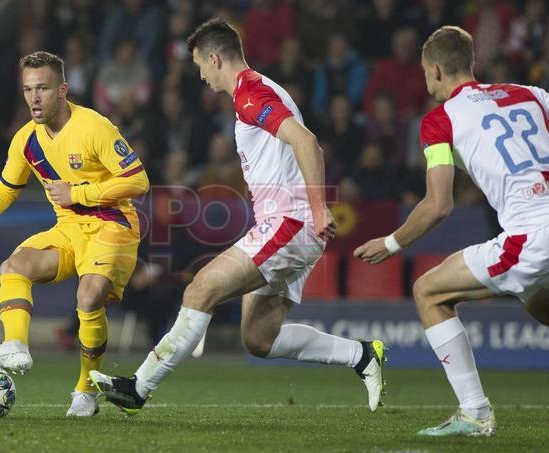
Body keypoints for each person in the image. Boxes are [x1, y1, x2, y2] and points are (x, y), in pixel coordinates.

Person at [89, 18, 386, 416]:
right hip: (286, 224)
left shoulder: (250, 94)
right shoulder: (259, 90)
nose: (200, 75)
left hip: (290, 222)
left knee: (199, 289)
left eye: (199, 66)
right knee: (259, 338)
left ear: (214, 59)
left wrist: (317, 208)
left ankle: (138, 388)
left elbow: (307, 141)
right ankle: (362, 355)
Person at [355, 26, 549, 437]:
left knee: (428, 291)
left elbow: (438, 205)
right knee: (537, 301)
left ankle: (475, 413)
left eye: (426, 74)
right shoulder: (532, 94)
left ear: (437, 70)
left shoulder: (440, 121)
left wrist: (391, 243)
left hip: (531, 237)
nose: (427, 83)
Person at [0, 51, 150, 417]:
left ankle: (86, 390)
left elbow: (138, 180)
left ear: (63, 90)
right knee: (13, 266)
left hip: (112, 226)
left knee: (88, 298)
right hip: (68, 230)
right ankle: (16, 344)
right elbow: (7, 189)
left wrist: (79, 193)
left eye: (43, 88)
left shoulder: (94, 126)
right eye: (28, 89)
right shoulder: (26, 139)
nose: (34, 98)